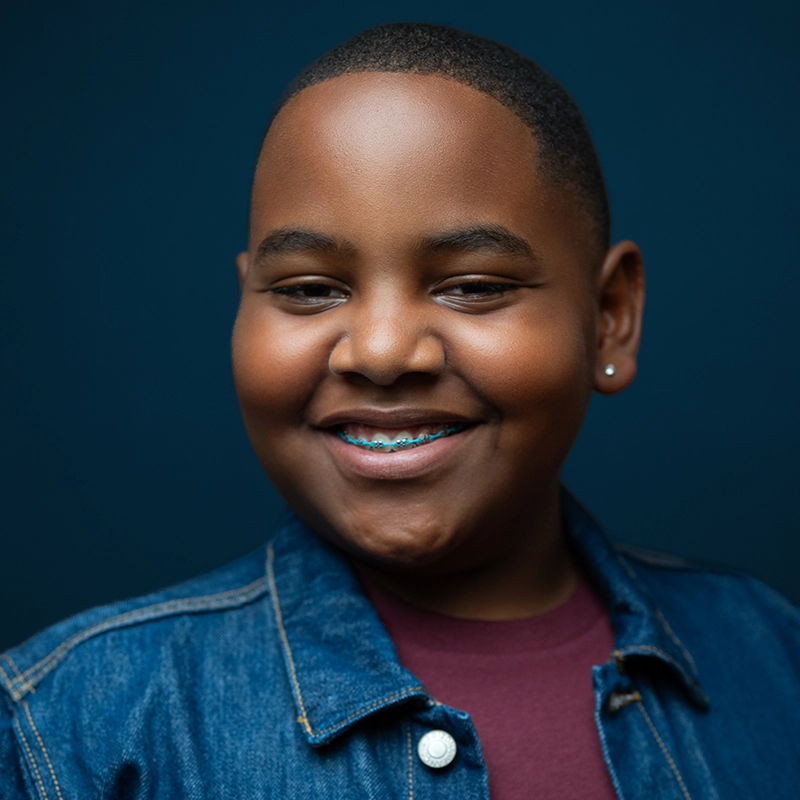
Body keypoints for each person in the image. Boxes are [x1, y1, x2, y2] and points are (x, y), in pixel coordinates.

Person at [1, 22, 798, 800]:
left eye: (474, 287)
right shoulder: (67, 731)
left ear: (611, 315)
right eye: (309, 290)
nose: (381, 353)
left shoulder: (773, 656)